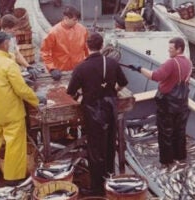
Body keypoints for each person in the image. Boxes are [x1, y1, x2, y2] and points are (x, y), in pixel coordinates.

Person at [0, 31, 43, 186]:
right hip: (12, 111)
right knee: (14, 143)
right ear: (5, 44)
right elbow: (21, 89)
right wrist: (36, 99)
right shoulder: (9, 65)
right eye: (9, 42)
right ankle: (13, 177)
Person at [67, 32, 128, 195]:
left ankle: (96, 188)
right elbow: (123, 83)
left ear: (87, 46)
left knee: (95, 149)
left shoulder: (81, 67)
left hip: (92, 110)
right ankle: (110, 178)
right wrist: (113, 89)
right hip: (110, 107)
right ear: (102, 46)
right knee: (109, 143)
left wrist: (79, 96)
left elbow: (70, 91)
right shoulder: (112, 63)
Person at [128, 37, 192, 165]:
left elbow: (155, 76)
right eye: (168, 48)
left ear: (179, 49)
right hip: (182, 102)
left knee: (165, 132)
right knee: (179, 130)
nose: (169, 51)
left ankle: (166, 161)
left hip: (168, 103)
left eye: (171, 49)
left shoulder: (172, 63)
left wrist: (139, 68)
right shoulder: (188, 62)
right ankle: (180, 156)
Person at [40, 5, 88, 81]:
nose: (77, 22)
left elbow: (87, 48)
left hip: (79, 68)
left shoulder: (82, 29)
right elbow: (45, 51)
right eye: (74, 20)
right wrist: (52, 68)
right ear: (65, 18)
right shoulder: (54, 32)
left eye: (77, 20)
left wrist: (90, 62)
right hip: (60, 71)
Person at [0, 14, 39, 80]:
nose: (16, 32)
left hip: (13, 69)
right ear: (6, 29)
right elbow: (3, 66)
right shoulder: (0, 43)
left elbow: (17, 54)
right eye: (14, 30)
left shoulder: (11, 38)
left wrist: (28, 66)